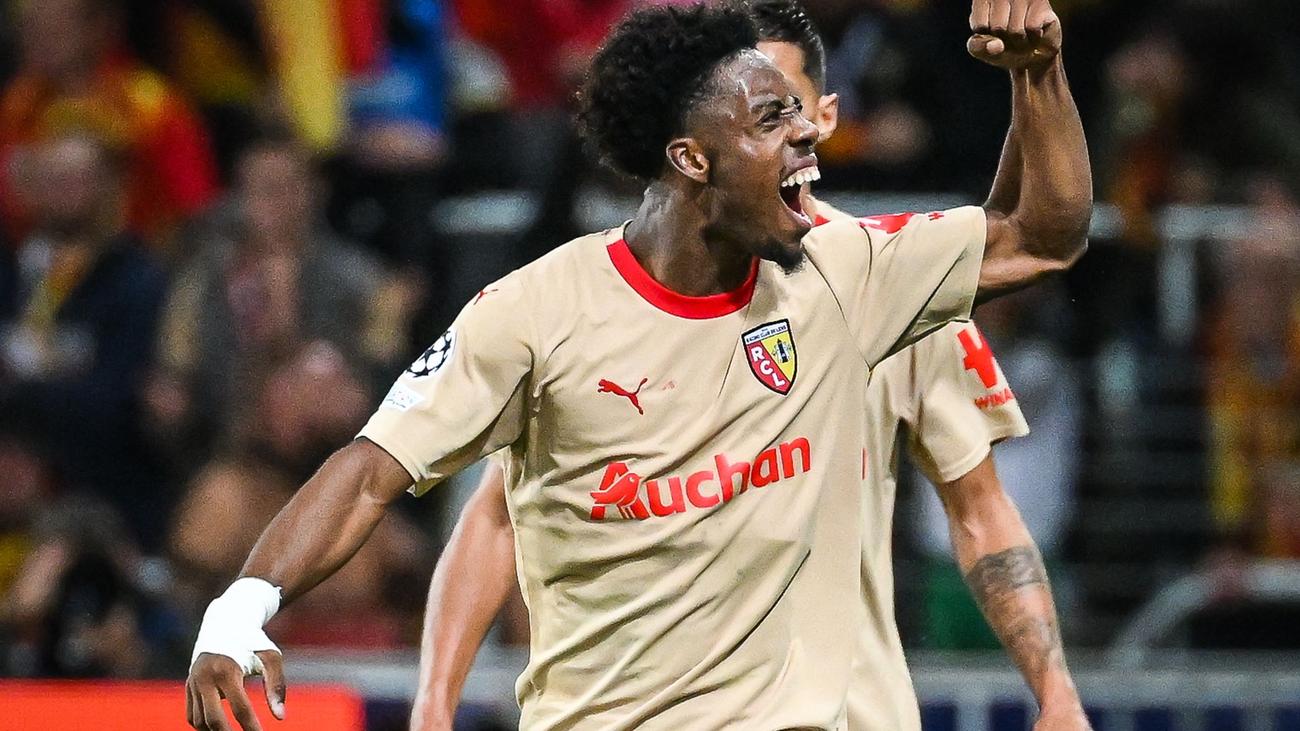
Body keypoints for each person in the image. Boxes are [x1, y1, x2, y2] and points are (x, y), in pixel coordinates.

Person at [185, 2, 1090, 730]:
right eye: (771, 119)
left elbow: (1041, 236)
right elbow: (369, 471)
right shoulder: (534, 314)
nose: (807, 138)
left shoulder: (845, 268)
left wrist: (1038, 73)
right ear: (692, 158)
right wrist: (241, 608)